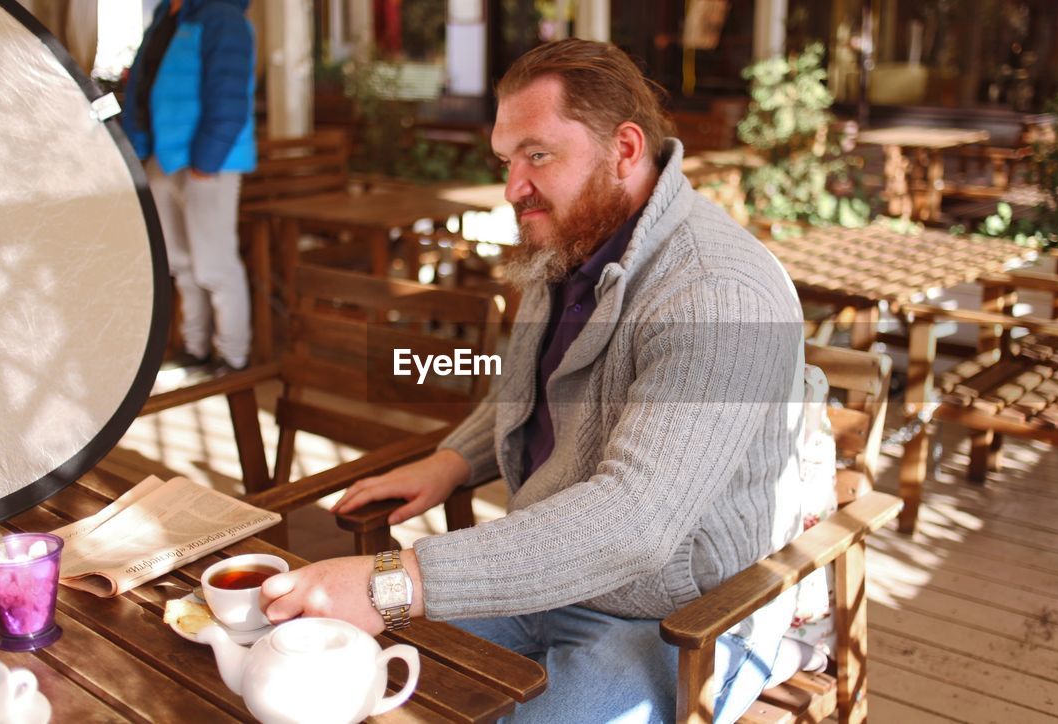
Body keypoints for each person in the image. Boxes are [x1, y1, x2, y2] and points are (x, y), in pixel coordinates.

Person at [260, 39, 806, 723]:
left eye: (537, 155)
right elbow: (526, 391)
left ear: (626, 149)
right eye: (507, 160)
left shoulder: (716, 290)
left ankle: (788, 648)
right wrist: (453, 459)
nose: (514, 186)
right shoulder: (576, 240)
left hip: (683, 610)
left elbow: (637, 520)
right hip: (547, 574)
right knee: (344, 679)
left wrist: (396, 583)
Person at [122, 0, 256, 373]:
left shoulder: (222, 14)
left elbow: (229, 94)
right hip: (162, 158)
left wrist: (205, 162)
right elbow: (143, 86)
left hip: (206, 164)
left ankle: (233, 356)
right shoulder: (167, 15)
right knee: (179, 263)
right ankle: (196, 349)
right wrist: (138, 152)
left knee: (215, 265)